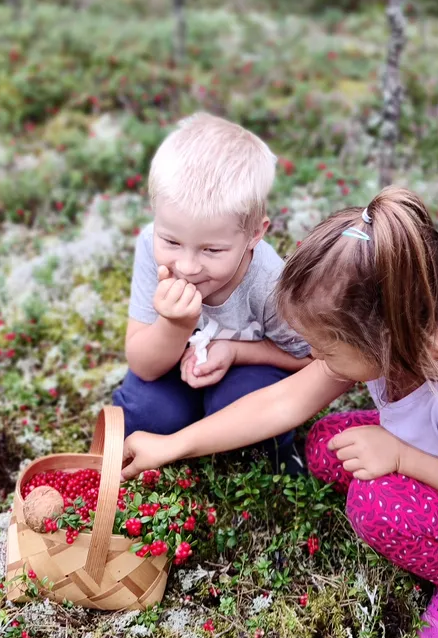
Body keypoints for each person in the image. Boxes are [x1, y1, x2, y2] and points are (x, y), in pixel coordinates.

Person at [122, 186, 438, 638]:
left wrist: (401, 458)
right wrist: (173, 444)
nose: (314, 357)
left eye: (325, 347)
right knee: (325, 443)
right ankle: (418, 505)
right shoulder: (399, 340)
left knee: (375, 504)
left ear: (380, 340)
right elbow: (283, 404)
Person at [113, 112, 312, 474]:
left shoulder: (270, 282)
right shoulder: (148, 246)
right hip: (173, 365)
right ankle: (182, 432)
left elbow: (308, 360)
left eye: (211, 250)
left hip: (249, 370)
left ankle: (277, 456)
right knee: (145, 414)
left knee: (242, 413)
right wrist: (175, 326)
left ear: (255, 233)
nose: (187, 266)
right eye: (171, 240)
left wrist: (235, 352)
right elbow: (142, 361)